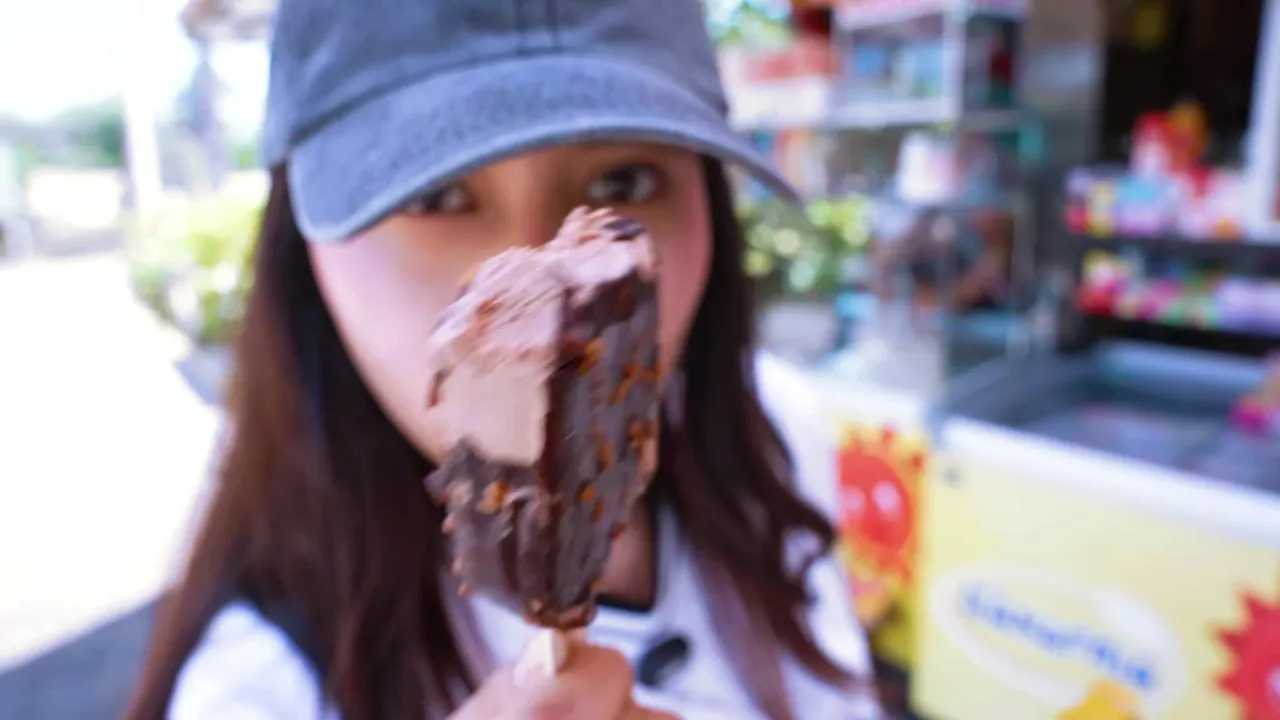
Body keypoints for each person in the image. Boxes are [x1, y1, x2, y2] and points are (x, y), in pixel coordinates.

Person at [126, 0, 881, 718]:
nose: (543, 295)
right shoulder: (257, 690)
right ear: (301, 253)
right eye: (436, 194)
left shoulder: (782, 435)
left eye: (623, 182)